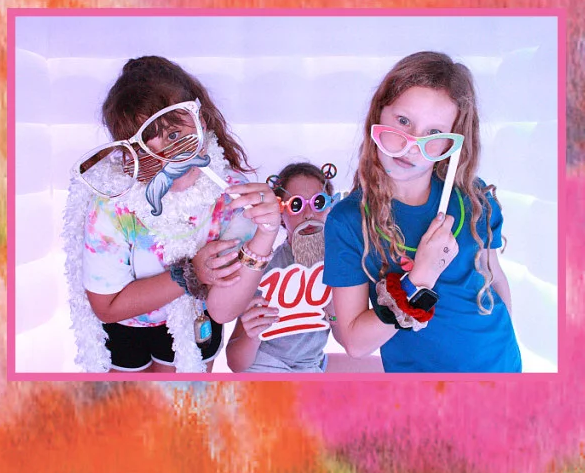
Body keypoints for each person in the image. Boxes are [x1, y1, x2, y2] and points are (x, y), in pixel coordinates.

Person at [63, 54, 281, 373]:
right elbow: (106, 306)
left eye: (174, 136)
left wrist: (267, 232)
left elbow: (223, 311)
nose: (166, 160)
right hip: (125, 327)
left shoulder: (235, 195)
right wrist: (190, 274)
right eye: (145, 150)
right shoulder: (113, 201)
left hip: (194, 321)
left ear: (200, 121)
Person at [323, 51, 522, 373]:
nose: (412, 145)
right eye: (403, 121)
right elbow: (356, 343)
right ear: (378, 114)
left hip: (502, 366)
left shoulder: (474, 199)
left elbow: (493, 276)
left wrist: (505, 346)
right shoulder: (348, 220)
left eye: (433, 134)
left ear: (450, 144)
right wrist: (421, 276)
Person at [219, 162, 342, 372]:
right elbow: (235, 363)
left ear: (330, 206)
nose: (309, 214)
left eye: (318, 202)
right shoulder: (263, 269)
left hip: (311, 368)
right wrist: (252, 336)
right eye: (296, 205)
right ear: (280, 214)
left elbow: (346, 340)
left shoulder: (339, 266)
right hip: (264, 367)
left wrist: (334, 313)